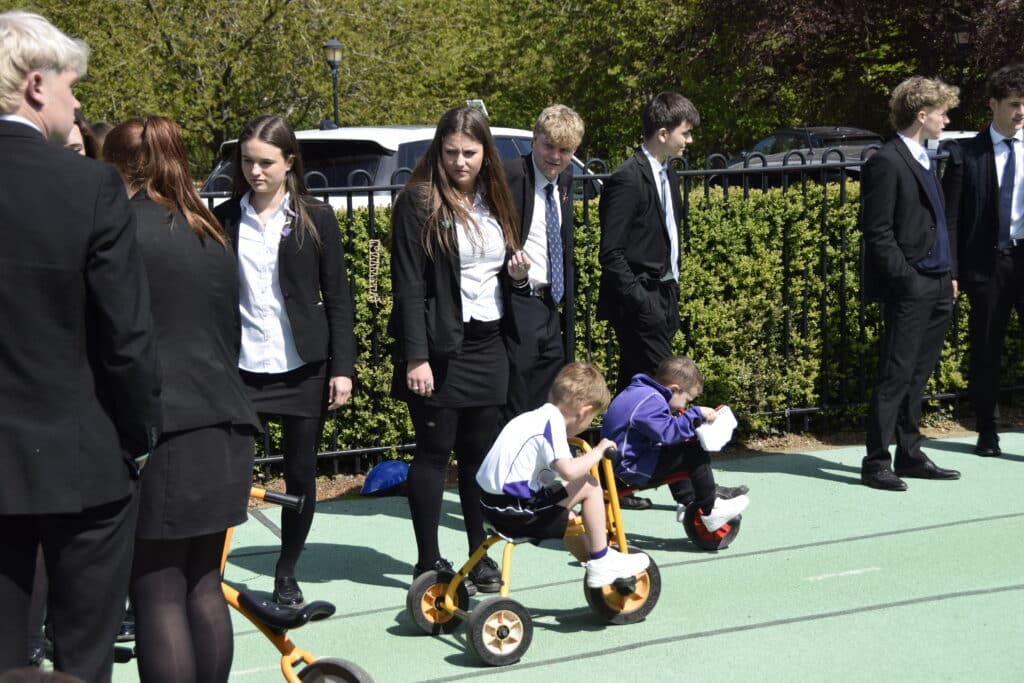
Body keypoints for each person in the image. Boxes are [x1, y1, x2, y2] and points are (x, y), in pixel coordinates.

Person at [0, 11, 161, 682]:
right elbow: (126, 337)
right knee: (83, 660)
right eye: (72, 86)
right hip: (84, 460)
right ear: (36, 85)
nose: (77, 104)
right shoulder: (89, 185)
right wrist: (140, 433)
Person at [104, 115, 261, 683]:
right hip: (224, 421)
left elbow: (118, 340)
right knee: (201, 583)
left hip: (167, 430)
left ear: (116, 167)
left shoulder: (123, 229)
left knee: (156, 589)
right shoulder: (207, 230)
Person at [214, 115, 356, 605]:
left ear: (289, 162)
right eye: (247, 161)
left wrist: (342, 367)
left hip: (303, 367)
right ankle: (210, 570)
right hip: (240, 368)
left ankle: (286, 571)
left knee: (300, 475)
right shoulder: (224, 218)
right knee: (228, 474)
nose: (255, 171)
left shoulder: (316, 217)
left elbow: (338, 296)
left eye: (266, 162)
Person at [389, 105, 522, 594]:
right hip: (441, 347)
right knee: (432, 454)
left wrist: (517, 275)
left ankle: (478, 557)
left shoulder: (495, 198)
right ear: (438, 152)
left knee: (477, 459)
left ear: (486, 153)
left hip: (490, 342)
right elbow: (407, 282)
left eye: (469, 152)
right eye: (451, 152)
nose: (460, 162)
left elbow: (500, 269)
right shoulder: (419, 201)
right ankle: (428, 561)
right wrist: (416, 356)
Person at [860, 76, 962, 491]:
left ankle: (910, 453)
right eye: (942, 113)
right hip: (912, 286)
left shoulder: (924, 157)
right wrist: (908, 280)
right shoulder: (887, 161)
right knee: (896, 374)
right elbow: (877, 231)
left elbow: (939, 223)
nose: (947, 120)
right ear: (922, 115)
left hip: (938, 284)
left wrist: (949, 275)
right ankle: (875, 461)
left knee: (918, 375)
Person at [477, 362, 651, 587]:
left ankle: (596, 566)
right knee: (589, 485)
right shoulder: (552, 424)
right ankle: (601, 560)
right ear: (584, 411)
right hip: (516, 513)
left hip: (489, 506)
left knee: (569, 515)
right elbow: (569, 471)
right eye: (593, 417)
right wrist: (598, 451)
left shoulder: (531, 417)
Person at [942, 64, 1024, 458]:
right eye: (1013, 104)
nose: (1020, 112)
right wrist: (952, 271)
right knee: (987, 347)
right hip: (987, 265)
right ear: (993, 104)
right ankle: (987, 431)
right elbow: (950, 219)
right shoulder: (966, 154)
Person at [598, 91, 698, 393]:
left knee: (637, 385)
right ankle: (680, 427)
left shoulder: (669, 174)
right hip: (641, 301)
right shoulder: (627, 178)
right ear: (663, 134)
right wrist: (642, 301)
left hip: (665, 294)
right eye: (685, 133)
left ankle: (621, 425)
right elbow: (611, 253)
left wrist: (671, 288)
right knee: (668, 385)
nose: (689, 140)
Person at [601, 357, 750, 533]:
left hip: (619, 463)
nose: (685, 405)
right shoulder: (651, 401)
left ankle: (688, 501)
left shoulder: (639, 391)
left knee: (680, 448)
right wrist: (695, 414)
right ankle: (711, 510)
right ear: (674, 389)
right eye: (687, 400)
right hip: (627, 469)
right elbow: (667, 433)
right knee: (694, 453)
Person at [503, 105, 581, 418]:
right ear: (534, 140)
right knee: (518, 397)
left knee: (548, 396)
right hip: (518, 300)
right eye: (549, 146)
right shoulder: (510, 175)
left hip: (551, 304)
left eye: (565, 150)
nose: (555, 156)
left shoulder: (565, 180)